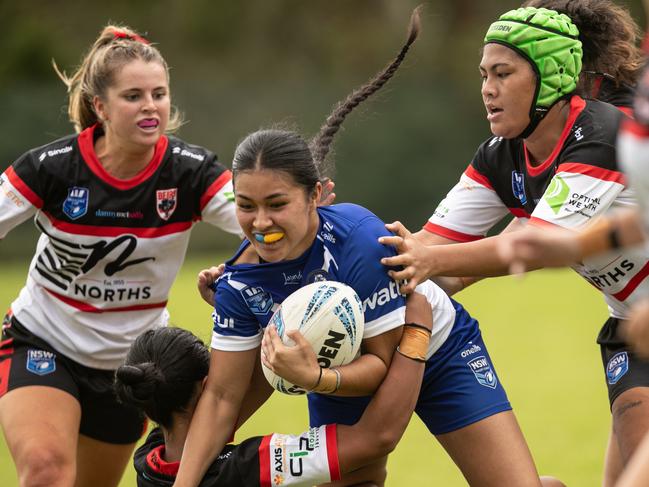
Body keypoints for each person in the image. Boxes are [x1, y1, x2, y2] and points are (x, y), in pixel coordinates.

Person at [173, 8, 565, 487]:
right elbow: (221, 398)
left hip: (436, 350)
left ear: (316, 195)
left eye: (277, 204)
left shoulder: (358, 238)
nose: (261, 222)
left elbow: (382, 364)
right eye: (247, 206)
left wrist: (315, 379)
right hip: (339, 369)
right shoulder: (236, 283)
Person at [379, 5, 649, 486]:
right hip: (634, 325)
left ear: (549, 78)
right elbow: (434, 258)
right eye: (484, 74)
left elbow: (538, 244)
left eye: (503, 73)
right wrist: (330, 263)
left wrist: (427, 260)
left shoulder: (602, 135)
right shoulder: (499, 157)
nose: (487, 88)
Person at [0, 25, 243, 487]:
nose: (150, 106)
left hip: (132, 366)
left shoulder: (190, 172)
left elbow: (261, 223)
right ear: (101, 106)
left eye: (159, 93)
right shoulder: (52, 167)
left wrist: (313, 219)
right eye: (133, 95)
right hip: (45, 341)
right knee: (47, 470)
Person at [113, 291, 432, 487]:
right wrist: (417, 333)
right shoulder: (248, 466)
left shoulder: (148, 462)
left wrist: (235, 307)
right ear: (208, 385)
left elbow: (255, 375)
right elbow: (374, 438)